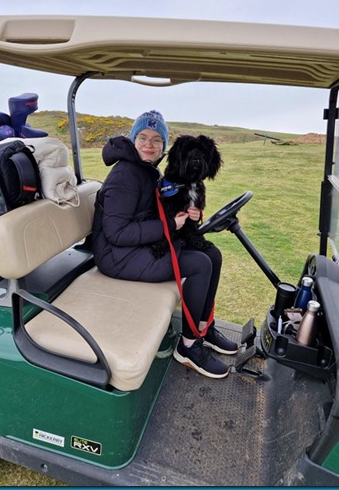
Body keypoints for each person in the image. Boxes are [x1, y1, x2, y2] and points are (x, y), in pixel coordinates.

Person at [92, 110, 238, 379]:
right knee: (199, 264)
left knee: (213, 254)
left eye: (157, 139)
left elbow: (158, 208)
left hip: (137, 245)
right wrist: (171, 226)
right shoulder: (125, 175)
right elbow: (117, 233)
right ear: (134, 140)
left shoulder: (146, 169)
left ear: (163, 146)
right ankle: (189, 346)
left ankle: (204, 328)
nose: (149, 144)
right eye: (143, 137)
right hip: (117, 256)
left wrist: (187, 215)